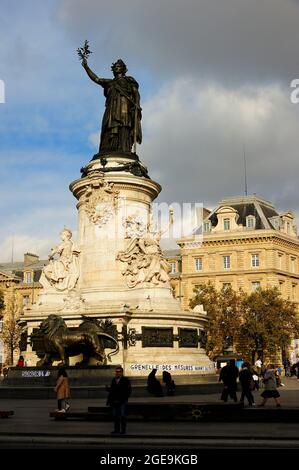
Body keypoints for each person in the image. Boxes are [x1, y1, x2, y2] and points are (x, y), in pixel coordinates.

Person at [81, 57, 142, 155]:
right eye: (115, 67)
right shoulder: (110, 82)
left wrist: (137, 105)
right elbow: (97, 79)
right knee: (107, 126)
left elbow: (136, 94)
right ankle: (107, 148)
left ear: (123, 69)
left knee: (124, 125)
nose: (116, 68)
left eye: (119, 66)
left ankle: (124, 149)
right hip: (111, 108)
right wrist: (86, 67)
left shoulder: (129, 81)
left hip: (124, 106)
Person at [107, 366, 132, 435]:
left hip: (122, 401)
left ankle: (123, 430)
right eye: (116, 372)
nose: (117, 373)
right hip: (114, 401)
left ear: (122, 373)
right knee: (115, 416)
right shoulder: (113, 380)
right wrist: (108, 390)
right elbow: (112, 390)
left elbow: (128, 390)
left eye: (119, 372)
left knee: (122, 415)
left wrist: (125, 398)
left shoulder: (125, 380)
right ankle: (116, 430)